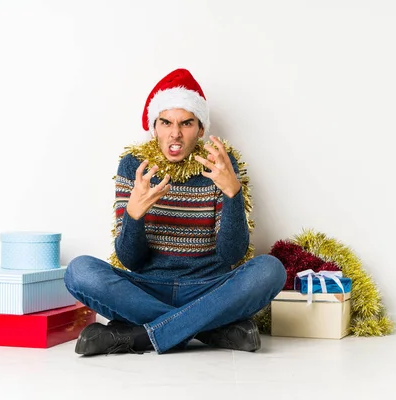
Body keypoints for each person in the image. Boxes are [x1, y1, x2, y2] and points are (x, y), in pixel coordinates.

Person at [64, 68, 286, 356]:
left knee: (270, 270)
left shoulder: (220, 162)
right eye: (166, 122)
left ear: (201, 128)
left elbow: (232, 254)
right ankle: (209, 328)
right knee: (79, 271)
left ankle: (140, 336)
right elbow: (131, 260)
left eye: (186, 123)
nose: (175, 133)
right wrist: (134, 215)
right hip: (147, 288)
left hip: (209, 286)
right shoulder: (134, 165)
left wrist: (233, 193)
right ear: (154, 126)